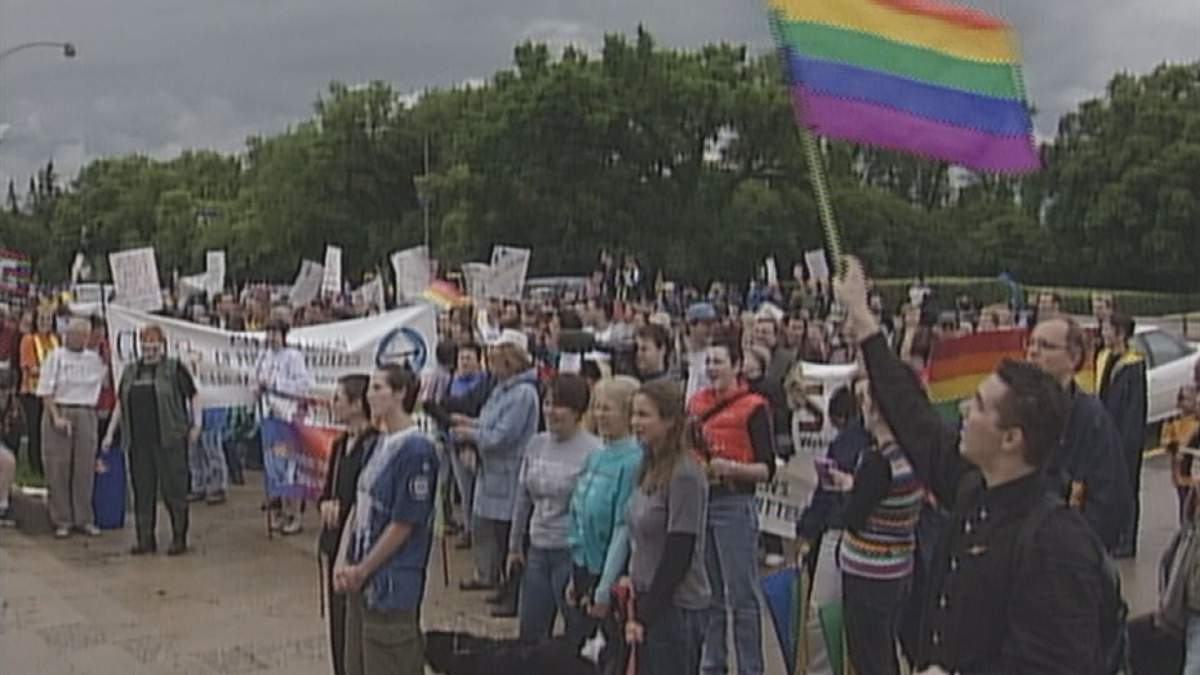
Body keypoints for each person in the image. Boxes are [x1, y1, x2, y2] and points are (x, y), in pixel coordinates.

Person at [837, 258, 1106, 673]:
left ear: (1011, 438)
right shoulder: (973, 488)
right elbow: (915, 420)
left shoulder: (1055, 544)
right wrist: (863, 317)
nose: (963, 410)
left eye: (979, 405)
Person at [334, 364, 438, 675]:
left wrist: (364, 568)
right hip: (360, 576)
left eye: (379, 388)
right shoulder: (377, 442)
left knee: (389, 659)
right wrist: (343, 559)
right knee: (357, 663)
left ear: (401, 393)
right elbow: (358, 504)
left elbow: (404, 523)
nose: (371, 395)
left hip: (391, 581)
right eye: (371, 388)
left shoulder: (416, 449)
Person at [687, 337, 774, 675]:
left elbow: (767, 469)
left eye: (718, 361)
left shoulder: (753, 407)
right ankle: (713, 664)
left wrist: (732, 468)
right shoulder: (695, 404)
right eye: (708, 362)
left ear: (737, 366)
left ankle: (751, 668)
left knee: (741, 595)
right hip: (701, 502)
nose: (711, 369)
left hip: (734, 503)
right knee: (709, 594)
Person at [827, 378, 922, 675]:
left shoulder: (876, 462)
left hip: (869, 571)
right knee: (884, 651)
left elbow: (853, 519)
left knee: (869, 657)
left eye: (865, 400)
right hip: (899, 567)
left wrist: (847, 489)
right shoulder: (913, 452)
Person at [624, 379, 711, 675]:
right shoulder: (646, 467)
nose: (635, 422)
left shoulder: (685, 474)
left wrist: (646, 614)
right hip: (646, 597)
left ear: (670, 421)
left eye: (644, 415)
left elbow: (679, 551)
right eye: (633, 414)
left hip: (675, 607)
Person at [1026, 315, 1131, 551]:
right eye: (1031, 344)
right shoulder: (1012, 411)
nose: (1033, 352)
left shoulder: (1093, 420)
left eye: (1045, 346)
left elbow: (1110, 503)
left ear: (1073, 358)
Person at [506, 374, 601, 637]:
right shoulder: (536, 444)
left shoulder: (594, 451)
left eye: (559, 405)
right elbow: (523, 497)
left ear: (578, 411)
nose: (551, 411)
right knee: (531, 632)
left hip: (572, 554)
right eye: (547, 403)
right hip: (538, 549)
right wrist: (514, 546)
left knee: (576, 633)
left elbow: (592, 514)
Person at [450, 329, 540, 596]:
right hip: (492, 473)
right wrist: (470, 422)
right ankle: (491, 577)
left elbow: (502, 436)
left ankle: (510, 588)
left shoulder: (523, 394)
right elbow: (490, 422)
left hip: (509, 473)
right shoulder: (501, 390)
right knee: (490, 530)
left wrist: (471, 434)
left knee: (507, 535)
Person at [102, 324, 200, 555]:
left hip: (170, 439)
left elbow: (194, 396)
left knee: (173, 490)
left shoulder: (174, 369)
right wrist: (109, 433)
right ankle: (145, 539)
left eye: (153, 342)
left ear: (162, 345)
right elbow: (120, 404)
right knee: (142, 490)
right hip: (138, 442)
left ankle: (179, 538)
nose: (149, 347)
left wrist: (197, 425)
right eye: (145, 342)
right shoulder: (130, 371)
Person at [794, 385, 869, 675]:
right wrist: (807, 531)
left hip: (885, 547)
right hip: (837, 534)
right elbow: (825, 494)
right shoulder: (846, 441)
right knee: (819, 615)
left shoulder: (907, 440)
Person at [567, 376, 643, 630]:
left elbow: (623, 527)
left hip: (608, 574)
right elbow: (578, 513)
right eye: (596, 407)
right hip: (582, 568)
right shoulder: (596, 455)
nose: (599, 414)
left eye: (606, 408)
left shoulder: (634, 461)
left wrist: (603, 589)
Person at [318, 374, 381, 675]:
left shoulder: (376, 445)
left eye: (338, 399)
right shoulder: (340, 443)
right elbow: (328, 488)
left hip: (359, 544)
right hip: (334, 540)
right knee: (338, 622)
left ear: (357, 404)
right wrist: (325, 503)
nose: (334, 404)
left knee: (356, 624)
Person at [37, 317, 108, 539]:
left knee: (84, 467)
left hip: (86, 411)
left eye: (81, 334)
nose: (76, 338)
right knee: (58, 467)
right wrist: (56, 417)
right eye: (72, 333)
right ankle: (62, 518)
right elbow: (45, 390)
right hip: (61, 408)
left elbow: (106, 380)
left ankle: (84, 518)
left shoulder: (94, 359)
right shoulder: (55, 356)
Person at [1095, 312, 1148, 559]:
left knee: (1128, 488)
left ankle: (1128, 540)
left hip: (1124, 437)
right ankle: (1111, 535)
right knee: (1108, 488)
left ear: (1121, 333)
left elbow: (1135, 410)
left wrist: (1128, 442)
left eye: (1107, 329)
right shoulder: (1104, 357)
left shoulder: (1134, 364)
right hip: (1104, 435)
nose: (1103, 333)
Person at [255, 318, 313, 535]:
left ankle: (295, 514)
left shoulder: (293, 357)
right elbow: (256, 379)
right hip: (269, 417)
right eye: (268, 333)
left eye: (274, 333)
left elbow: (303, 384)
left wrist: (275, 386)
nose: (270, 338)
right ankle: (280, 511)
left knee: (290, 468)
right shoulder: (264, 356)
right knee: (274, 467)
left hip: (287, 416)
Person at [19, 308, 58, 476]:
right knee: (35, 429)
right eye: (41, 319)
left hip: (51, 392)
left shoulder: (56, 340)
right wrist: (50, 371)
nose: (44, 322)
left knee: (48, 430)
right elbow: (30, 367)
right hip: (32, 392)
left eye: (48, 319)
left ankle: (47, 463)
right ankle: (35, 466)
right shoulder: (28, 340)